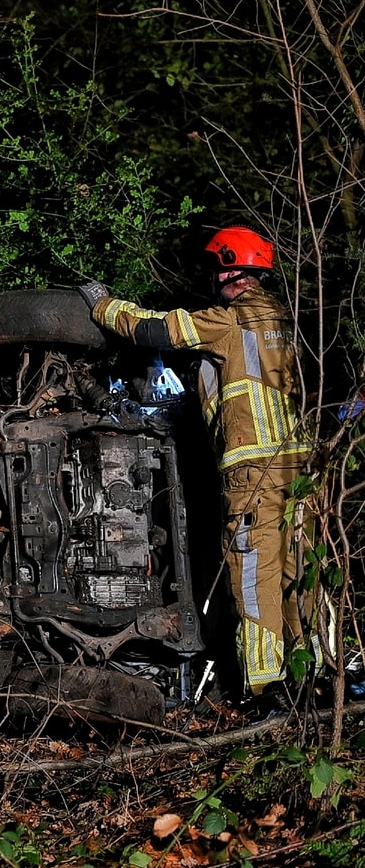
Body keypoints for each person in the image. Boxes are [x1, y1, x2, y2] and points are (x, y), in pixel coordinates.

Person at [78, 225, 312, 704]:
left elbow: (155, 329)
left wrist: (104, 306)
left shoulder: (230, 321)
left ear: (230, 268)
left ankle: (265, 691)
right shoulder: (290, 321)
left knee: (254, 580)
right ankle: (314, 681)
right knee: (299, 574)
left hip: (255, 476)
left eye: (217, 267)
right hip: (302, 473)